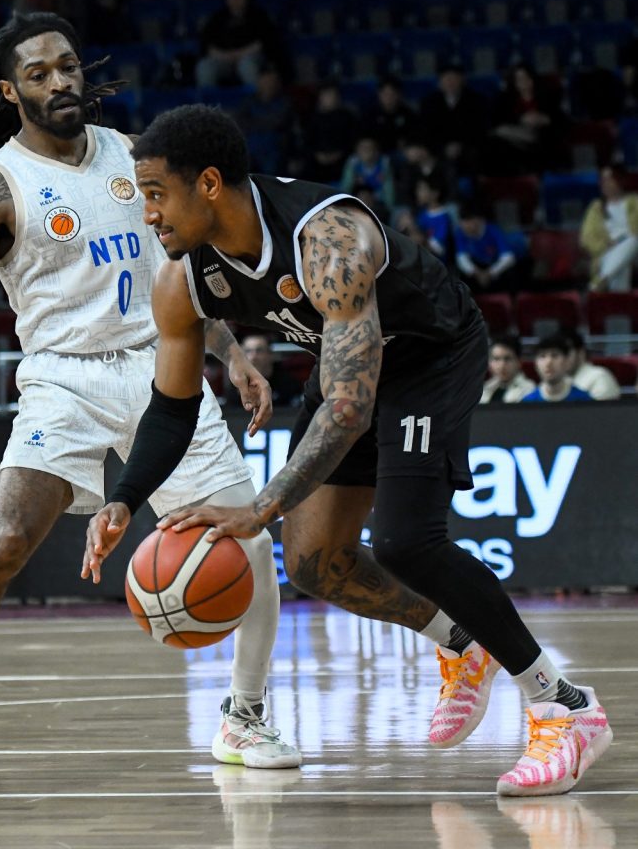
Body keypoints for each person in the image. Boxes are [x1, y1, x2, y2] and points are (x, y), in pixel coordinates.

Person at [85, 104, 612, 797]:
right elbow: (173, 406)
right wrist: (124, 499)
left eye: (155, 194)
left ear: (208, 184)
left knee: (406, 541)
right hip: (344, 371)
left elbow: (348, 410)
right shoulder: (181, 279)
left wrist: (261, 507)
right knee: (313, 562)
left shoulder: (328, 237)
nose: (147, 213)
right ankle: (462, 647)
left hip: (428, 356)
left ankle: (564, 708)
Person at [0, 12, 300, 782]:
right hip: (63, 377)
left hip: (162, 365)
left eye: (68, 66)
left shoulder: (134, 154)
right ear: (10, 90)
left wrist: (229, 354)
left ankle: (244, 716)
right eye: (39, 73)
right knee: (8, 540)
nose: (60, 81)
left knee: (248, 541)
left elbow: (178, 272)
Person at [195, 0, 276, 89]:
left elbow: (264, 42)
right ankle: (209, 99)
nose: (235, 0)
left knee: (247, 65)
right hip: (224, 59)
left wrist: (239, 54)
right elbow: (208, 45)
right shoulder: (218, 18)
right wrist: (225, 56)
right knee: (204, 66)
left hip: (250, 57)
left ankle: (255, 96)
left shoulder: (258, 15)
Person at [579, 165, 638, 293]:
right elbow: (586, 237)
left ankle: (599, 283)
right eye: (602, 180)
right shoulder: (596, 207)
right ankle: (616, 297)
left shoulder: (634, 201)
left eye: (609, 179)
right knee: (622, 264)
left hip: (635, 249)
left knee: (634, 241)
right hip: (607, 250)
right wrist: (606, 245)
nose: (605, 183)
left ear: (620, 180)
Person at [224, 334, 302, 410]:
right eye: (248, 351)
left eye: (259, 350)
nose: (253, 356)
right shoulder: (237, 385)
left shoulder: (288, 383)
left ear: (270, 354)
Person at [454, 203, 517, 293]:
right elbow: (461, 258)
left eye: (468, 220)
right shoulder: (460, 232)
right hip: (478, 269)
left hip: (495, 267)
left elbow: (508, 257)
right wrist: (477, 273)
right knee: (462, 275)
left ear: (480, 220)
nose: (464, 225)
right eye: (462, 221)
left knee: (511, 273)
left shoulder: (493, 230)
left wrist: (490, 273)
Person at [521, 334, 594, 404]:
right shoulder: (527, 402)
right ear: (535, 364)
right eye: (542, 356)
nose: (548, 362)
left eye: (554, 355)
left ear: (567, 362)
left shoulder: (584, 400)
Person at [561, 329, 621, 401]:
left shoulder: (599, 376)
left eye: (566, 353)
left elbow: (604, 407)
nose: (561, 358)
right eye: (557, 354)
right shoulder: (558, 380)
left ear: (581, 353)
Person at [480, 334, 536, 404]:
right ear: (489, 363)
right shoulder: (484, 388)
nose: (502, 365)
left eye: (507, 359)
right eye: (496, 359)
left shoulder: (529, 389)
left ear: (519, 362)